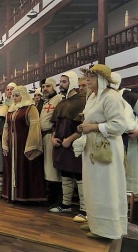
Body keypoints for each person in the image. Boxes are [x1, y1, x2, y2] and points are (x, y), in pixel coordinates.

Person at [78, 64, 127, 239]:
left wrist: (94, 126)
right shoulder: (92, 97)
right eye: (87, 76)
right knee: (93, 186)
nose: (87, 79)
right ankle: (95, 222)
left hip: (107, 147)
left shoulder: (111, 97)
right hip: (92, 146)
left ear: (102, 79)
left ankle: (108, 228)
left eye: (91, 76)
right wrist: (85, 127)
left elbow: (119, 125)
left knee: (106, 186)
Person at [50, 71, 87, 223]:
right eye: (60, 82)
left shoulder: (82, 101)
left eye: (64, 82)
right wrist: (53, 137)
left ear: (71, 82)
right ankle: (66, 204)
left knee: (79, 176)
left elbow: (82, 126)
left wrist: (70, 139)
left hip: (75, 145)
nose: (61, 85)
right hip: (60, 145)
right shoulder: (61, 103)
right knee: (65, 174)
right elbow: (55, 125)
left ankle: (84, 209)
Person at [2, 86, 46, 202]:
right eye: (13, 96)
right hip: (12, 146)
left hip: (24, 145)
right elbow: (6, 127)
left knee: (25, 170)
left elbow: (34, 127)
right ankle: (13, 195)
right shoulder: (11, 109)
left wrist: (31, 145)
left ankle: (26, 196)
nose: (14, 98)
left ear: (23, 95)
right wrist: (5, 144)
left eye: (17, 95)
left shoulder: (30, 108)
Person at [39, 78, 63, 207]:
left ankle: (55, 198)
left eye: (48, 86)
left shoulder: (58, 99)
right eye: (43, 86)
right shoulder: (45, 101)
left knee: (52, 168)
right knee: (46, 167)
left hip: (51, 135)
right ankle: (49, 195)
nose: (45, 89)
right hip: (43, 136)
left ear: (54, 87)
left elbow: (58, 119)